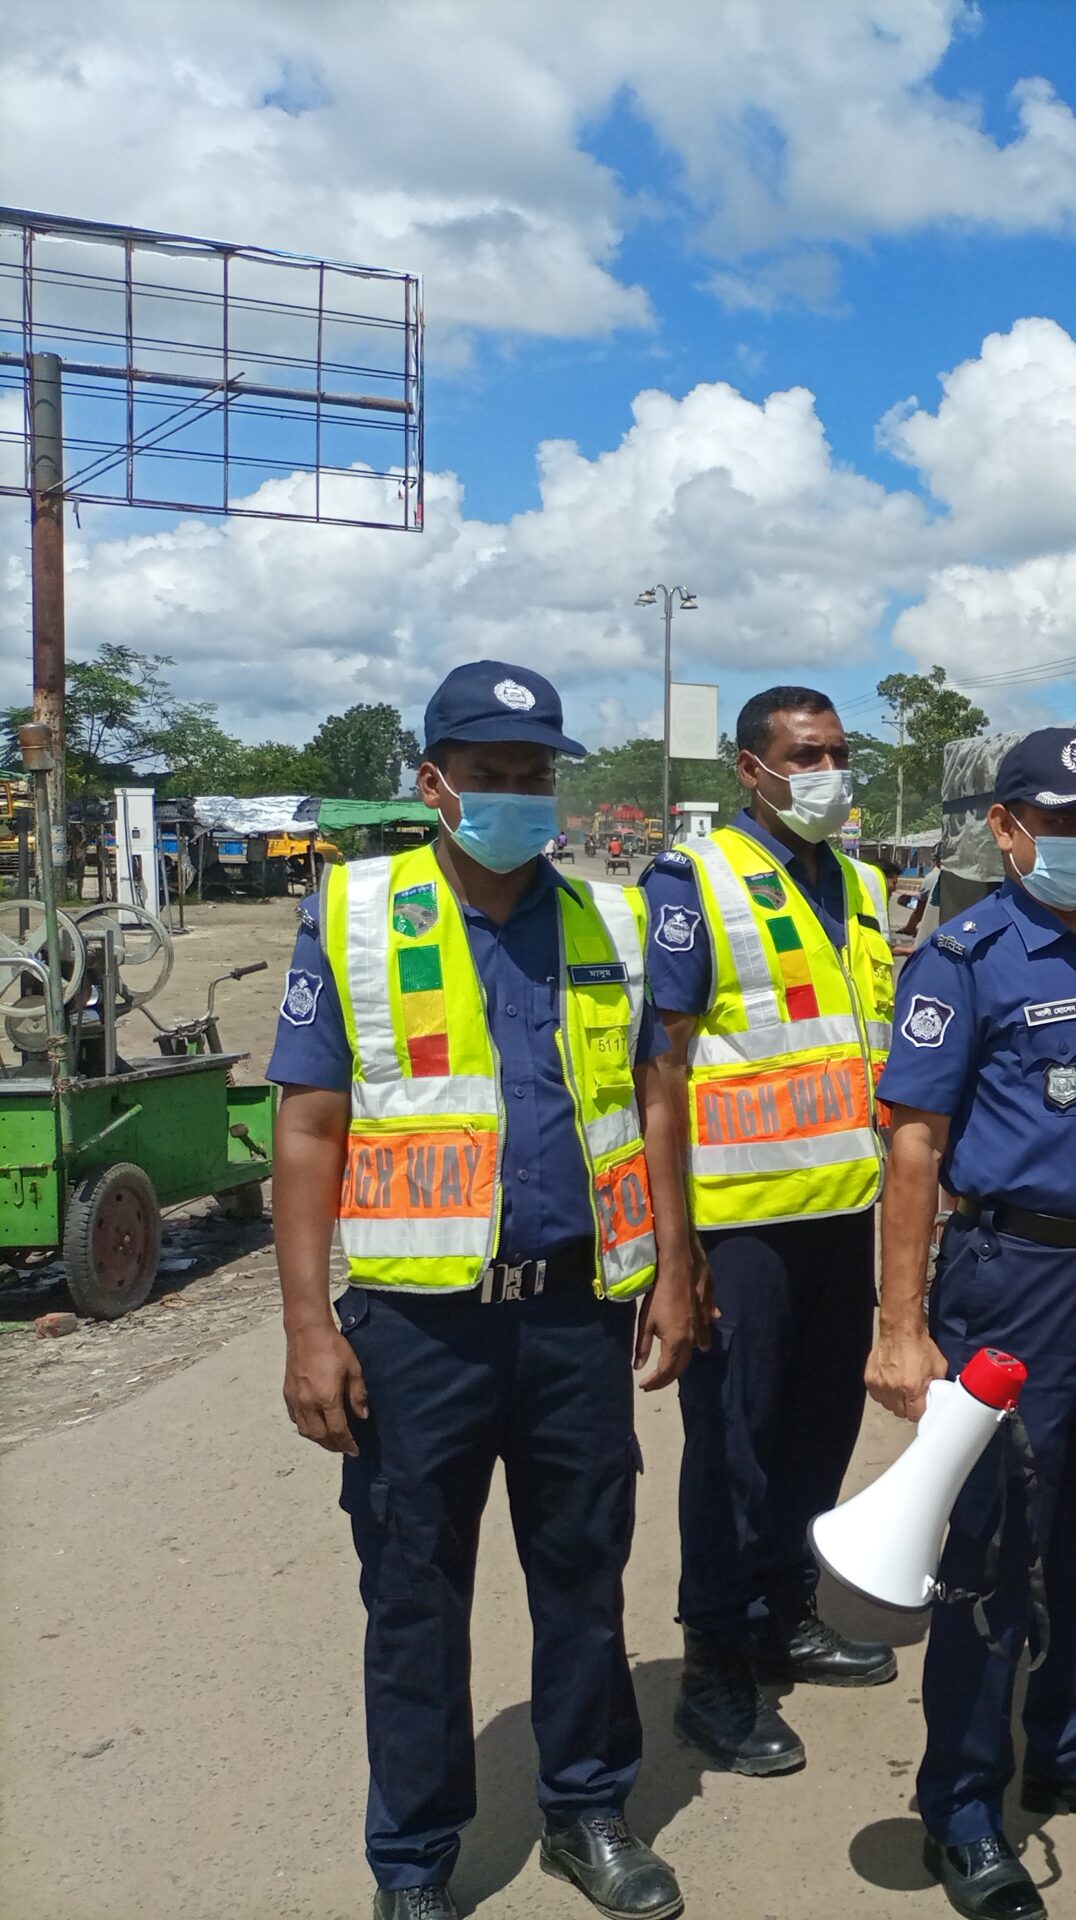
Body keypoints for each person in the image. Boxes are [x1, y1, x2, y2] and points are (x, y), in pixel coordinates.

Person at [270, 661, 699, 1920]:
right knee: (413, 1595)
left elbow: (655, 1104)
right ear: (434, 783)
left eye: (536, 775)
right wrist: (309, 1326)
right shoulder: (354, 913)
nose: (518, 796)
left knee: (584, 1573)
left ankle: (587, 1809)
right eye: (492, 775)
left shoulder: (607, 922)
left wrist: (674, 1269)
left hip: (575, 1314)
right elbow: (308, 1127)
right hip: (417, 1330)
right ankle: (413, 1860)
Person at [869, 727, 1076, 1920]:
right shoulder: (964, 958)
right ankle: (963, 1808)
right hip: (1010, 1280)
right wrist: (901, 1326)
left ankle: (1074, 1753)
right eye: (1061, 821)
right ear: (1007, 830)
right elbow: (912, 1145)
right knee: (992, 1550)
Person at [639, 686, 902, 1777]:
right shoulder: (694, 882)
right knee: (733, 1456)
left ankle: (786, 1613)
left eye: (838, 753)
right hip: (739, 1230)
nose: (827, 772)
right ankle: (713, 1669)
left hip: (844, 1217)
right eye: (806, 755)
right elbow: (659, 1076)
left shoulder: (866, 884)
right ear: (749, 770)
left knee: (815, 1437)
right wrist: (674, 1252)